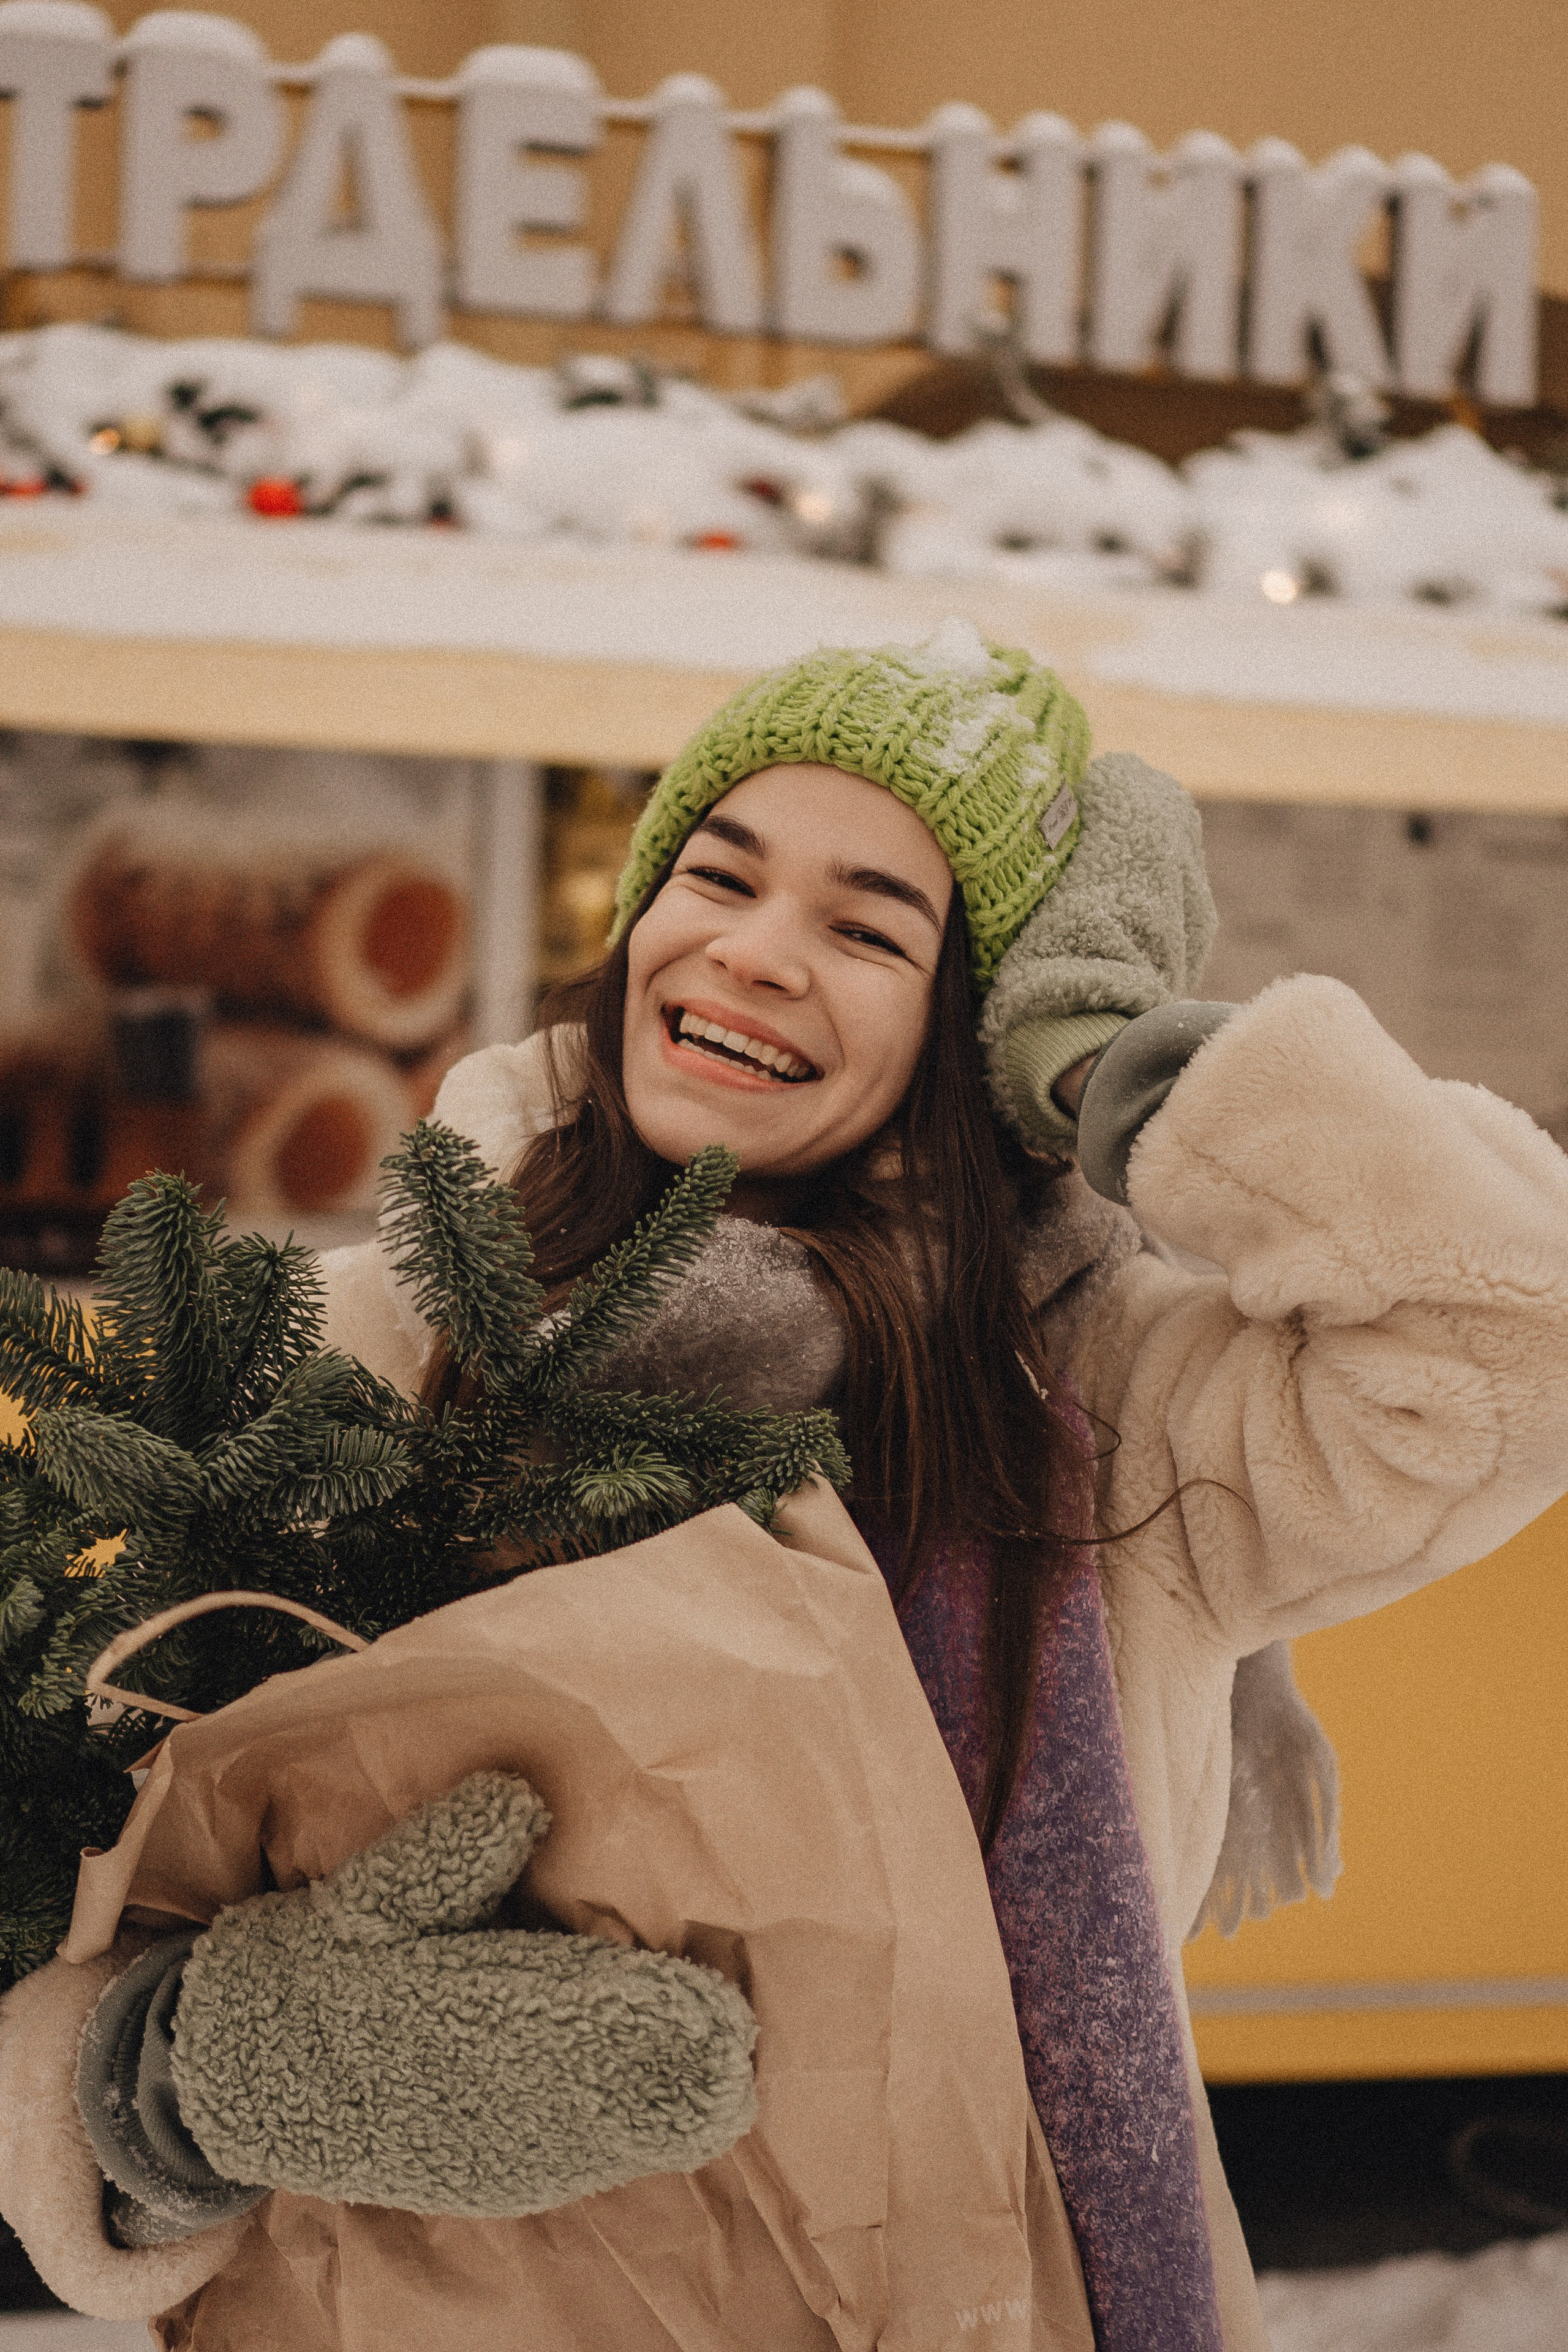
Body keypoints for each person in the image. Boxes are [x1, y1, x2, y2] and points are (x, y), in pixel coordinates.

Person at [6, 620, 1568, 2352]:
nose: (751, 955)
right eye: (719, 876)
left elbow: (1509, 1330)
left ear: (978, 1023)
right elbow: (64, 1859)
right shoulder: (371, 1340)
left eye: (866, 928)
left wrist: (1118, 1057)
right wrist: (189, 2074)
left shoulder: (1112, 1403)